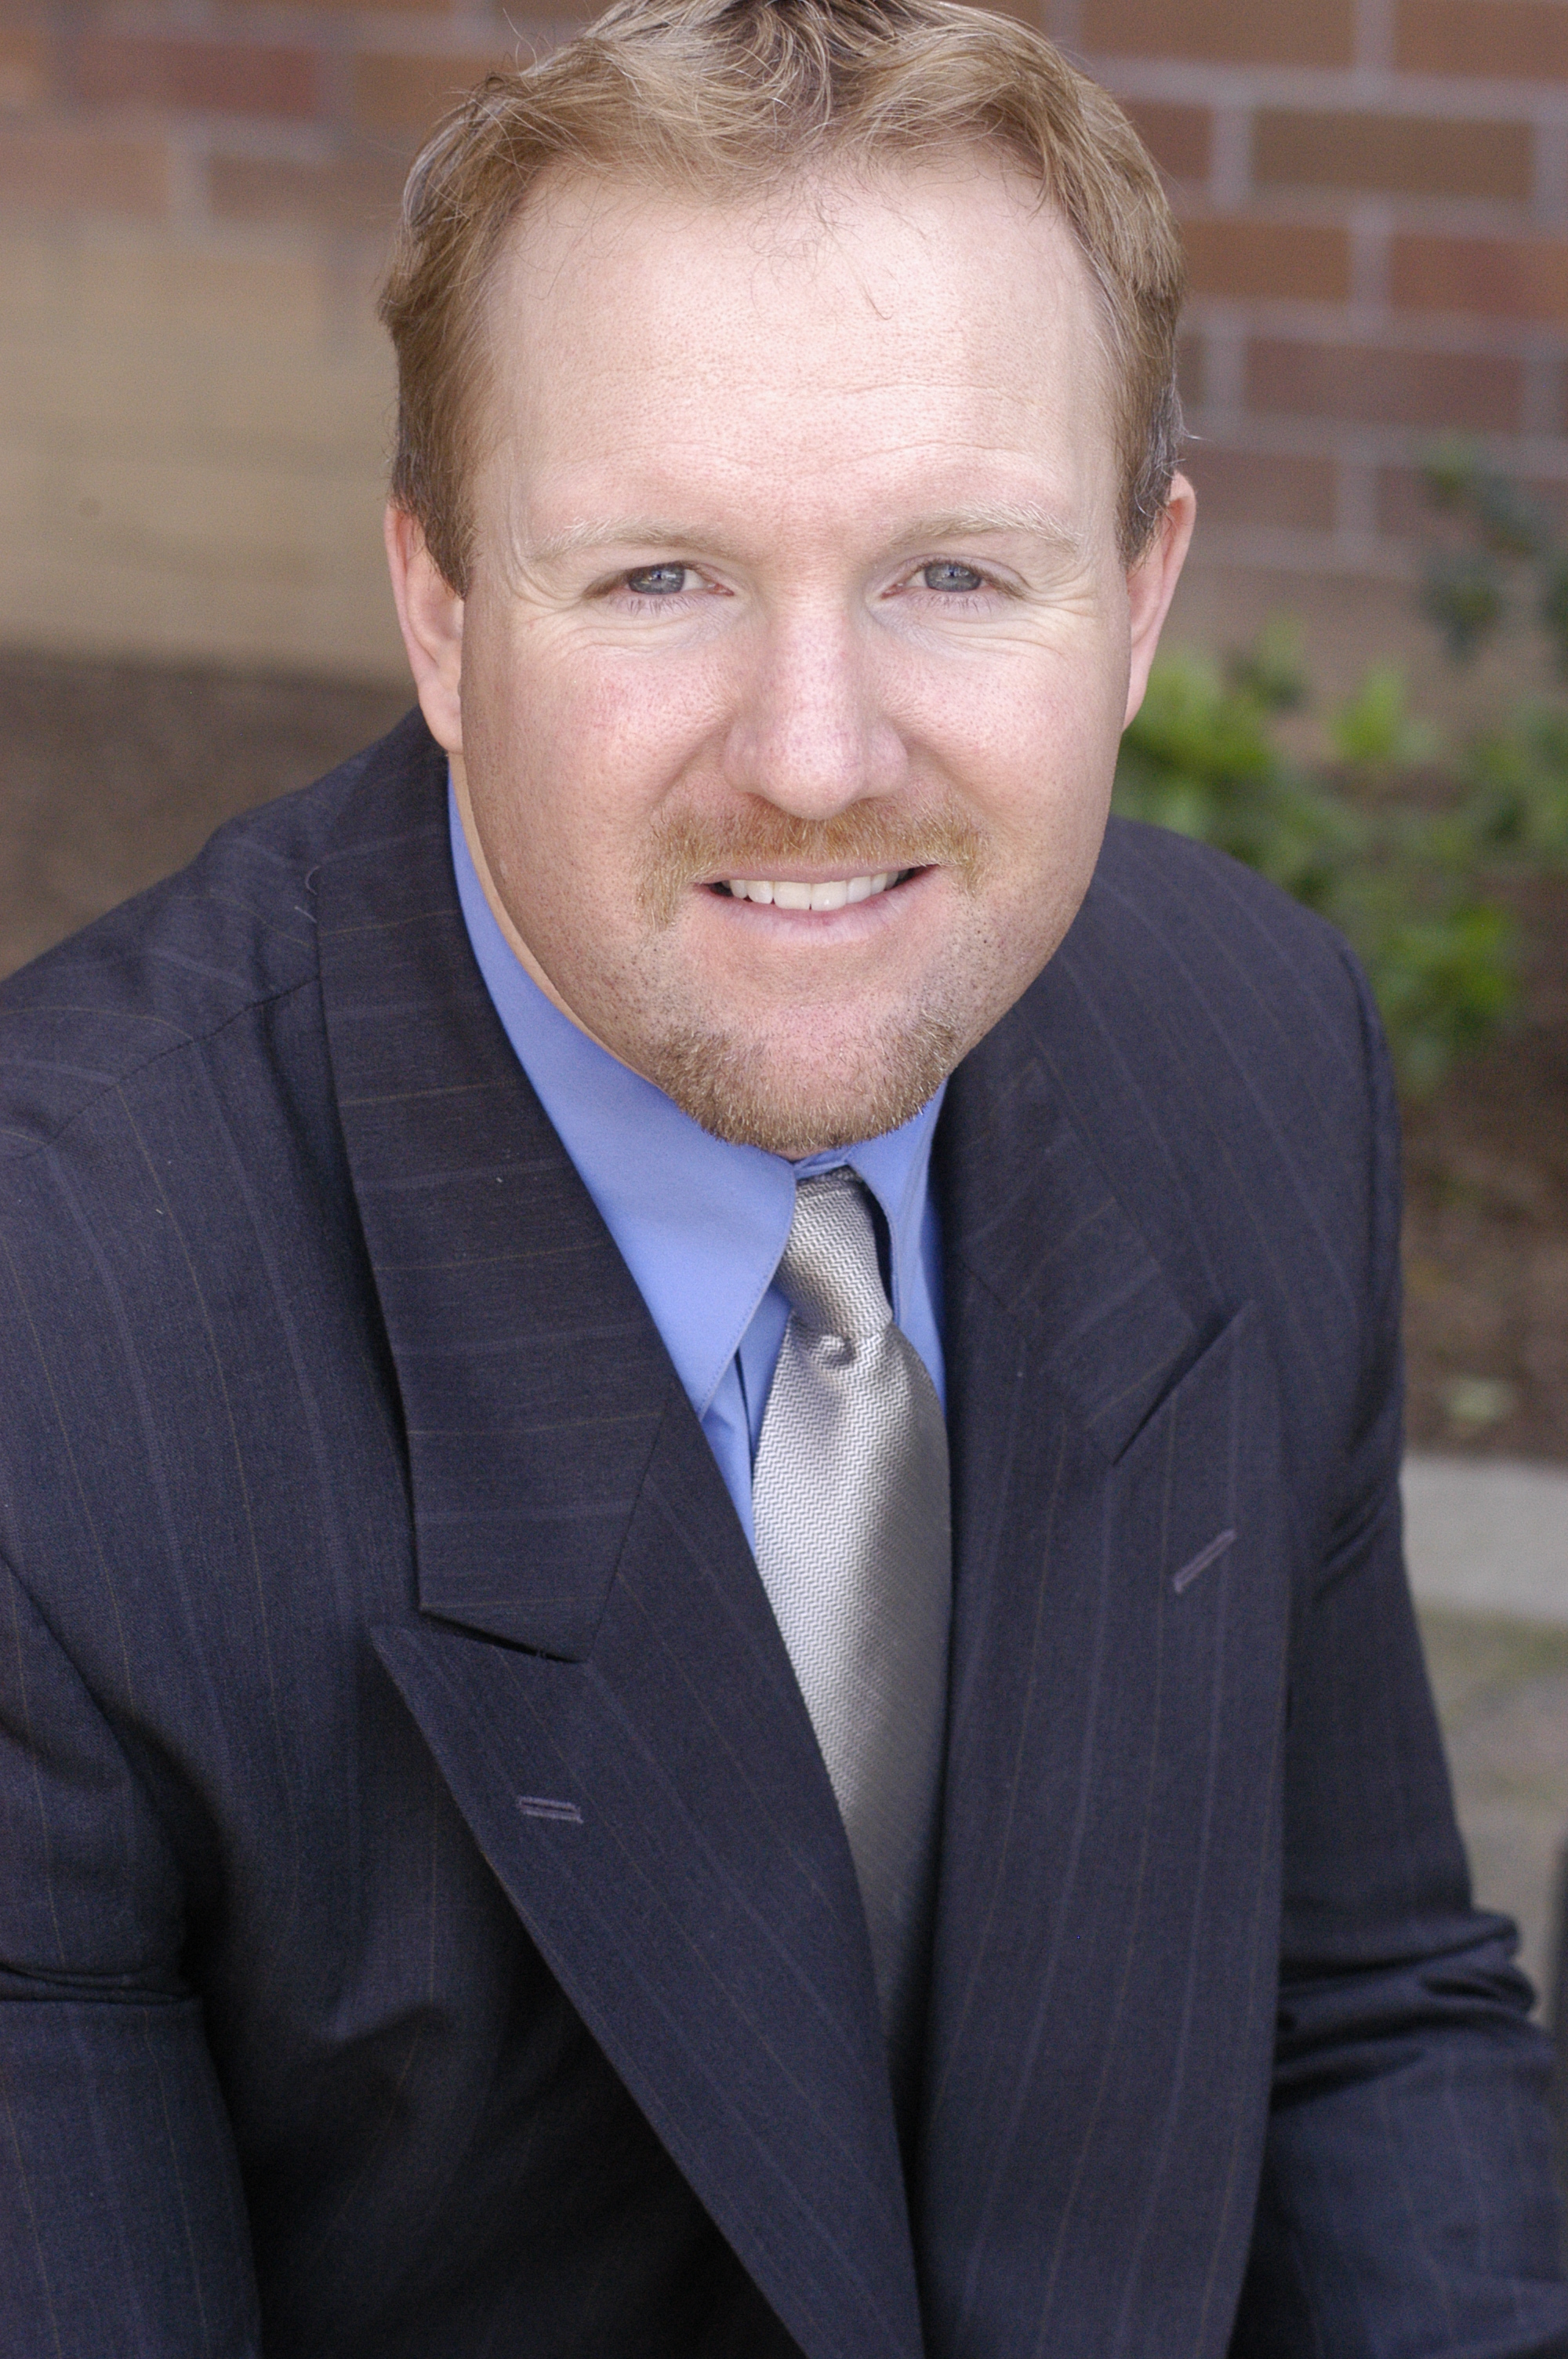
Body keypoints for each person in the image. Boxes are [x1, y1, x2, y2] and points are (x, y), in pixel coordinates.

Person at [1, 0, 1563, 2350]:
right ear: (439, 610)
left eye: (956, 572)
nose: (817, 758)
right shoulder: (56, 1324)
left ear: (1142, 600)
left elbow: (1358, 2024)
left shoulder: (1246, 1046)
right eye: (661, 577)